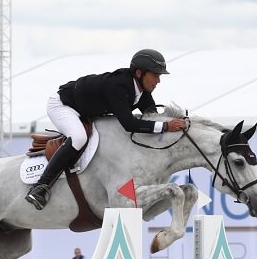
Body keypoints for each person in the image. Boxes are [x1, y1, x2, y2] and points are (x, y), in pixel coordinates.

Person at [25, 49, 188, 210]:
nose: (158, 80)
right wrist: (166, 125)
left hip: (85, 109)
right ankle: (40, 187)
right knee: (79, 137)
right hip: (63, 105)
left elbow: (152, 117)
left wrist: (176, 123)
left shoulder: (142, 92)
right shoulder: (119, 87)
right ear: (139, 73)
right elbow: (129, 125)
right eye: (155, 75)